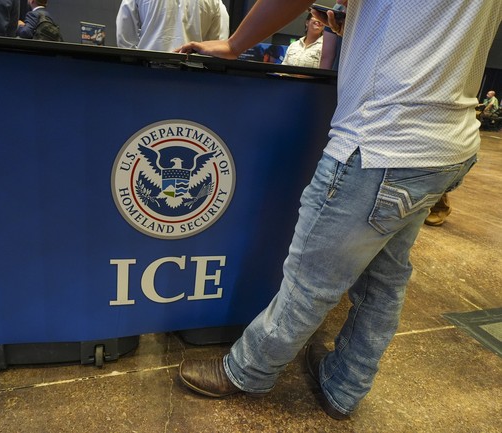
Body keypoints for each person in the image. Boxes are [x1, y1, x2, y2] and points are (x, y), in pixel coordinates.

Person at [175, 0, 502, 420]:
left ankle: (247, 371)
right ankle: (345, 385)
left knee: (310, 281)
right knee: (384, 279)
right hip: (447, 144)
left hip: (380, 141)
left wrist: (235, 43)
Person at [116, 0, 229, 52]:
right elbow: (217, 46)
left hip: (146, 72)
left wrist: (135, 66)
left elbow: (124, 37)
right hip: (192, 76)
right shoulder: (215, 2)